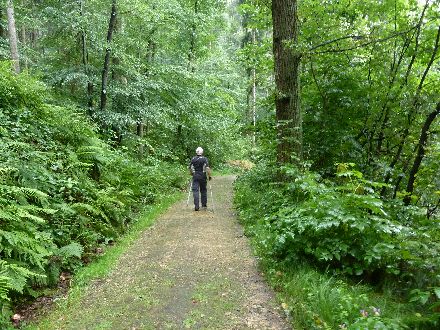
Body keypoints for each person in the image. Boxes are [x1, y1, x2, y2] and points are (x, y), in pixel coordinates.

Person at [189, 147, 212, 211]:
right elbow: (207, 168)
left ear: (196, 152)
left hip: (195, 176)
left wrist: (191, 174)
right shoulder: (204, 159)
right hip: (203, 177)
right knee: (203, 190)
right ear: (202, 152)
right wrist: (209, 176)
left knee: (195, 191)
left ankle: (196, 206)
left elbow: (191, 168)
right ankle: (204, 204)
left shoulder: (193, 159)